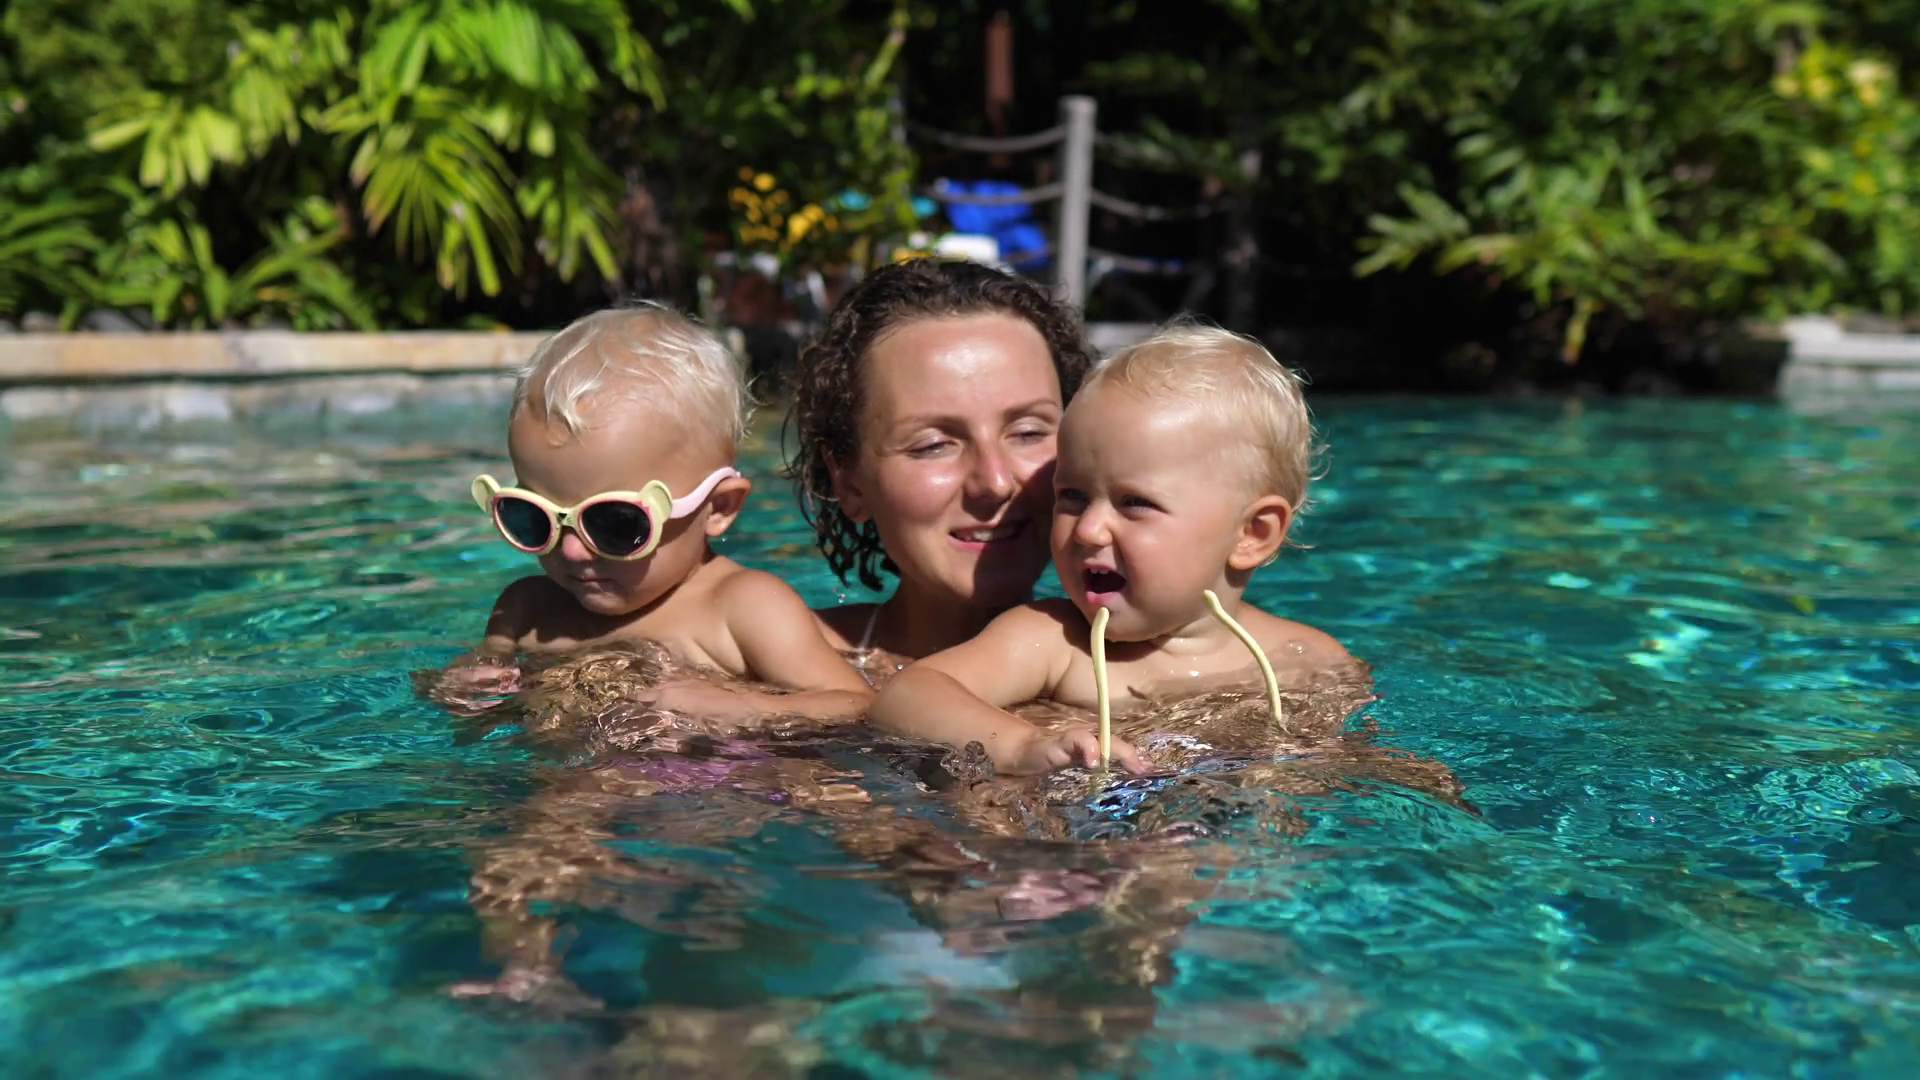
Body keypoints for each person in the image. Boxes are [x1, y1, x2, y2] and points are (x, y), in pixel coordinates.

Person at [870, 323, 1357, 774]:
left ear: (1253, 533)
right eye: (1073, 496)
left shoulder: (1310, 660)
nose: (1089, 530)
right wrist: (1021, 745)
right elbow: (906, 695)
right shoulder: (1054, 642)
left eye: (1134, 503)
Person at [436, 304, 871, 724]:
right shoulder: (525, 611)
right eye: (533, 517)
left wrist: (747, 707)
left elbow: (856, 705)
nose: (571, 550)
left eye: (613, 523)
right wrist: (465, 690)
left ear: (718, 508)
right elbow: (474, 702)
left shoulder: (744, 608)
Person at [784, 257, 1096, 672]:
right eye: (933, 445)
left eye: (1028, 433)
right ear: (849, 482)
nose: (996, 482)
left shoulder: (1149, 672)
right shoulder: (776, 668)